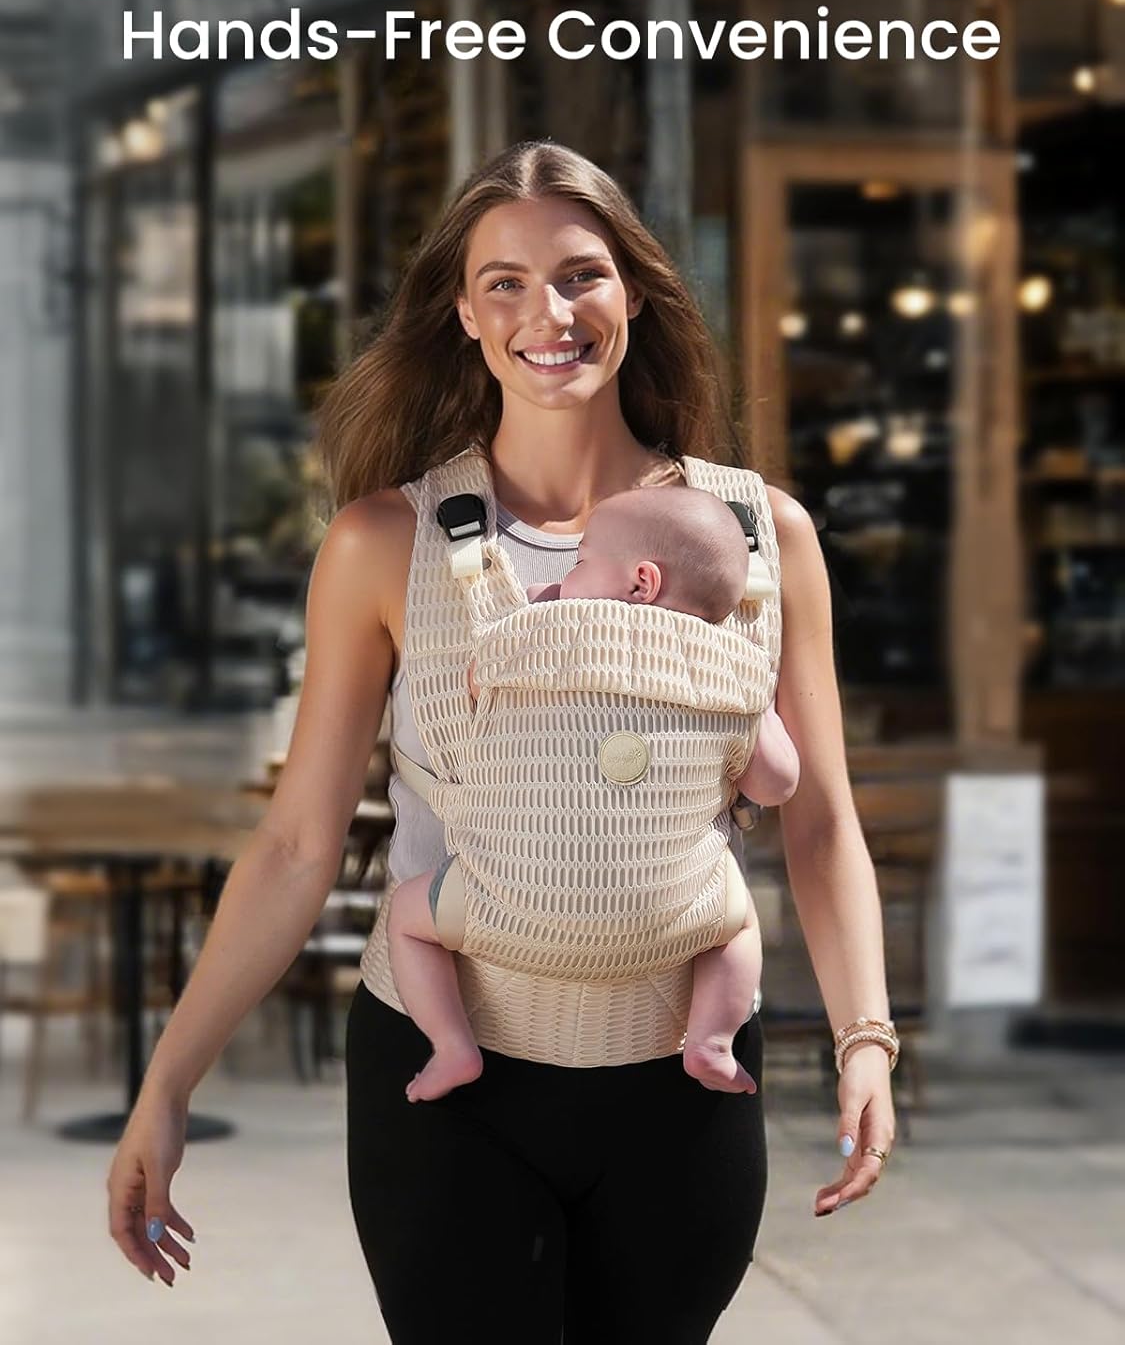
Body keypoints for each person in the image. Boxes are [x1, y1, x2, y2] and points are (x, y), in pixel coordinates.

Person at [106, 140, 898, 1344]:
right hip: (448, 1103)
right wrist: (167, 1086)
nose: (550, 314)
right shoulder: (385, 543)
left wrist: (865, 1040)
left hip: (681, 1092)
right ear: (466, 315)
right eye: (506, 284)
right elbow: (298, 844)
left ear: (635, 293)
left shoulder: (761, 535)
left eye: (582, 275)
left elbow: (822, 820)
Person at [389, 483, 801, 1104]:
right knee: (739, 927)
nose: (568, 577)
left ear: (641, 583)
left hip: (505, 907)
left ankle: (451, 1046)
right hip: (671, 922)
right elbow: (777, 784)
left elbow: (475, 685)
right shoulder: (735, 670)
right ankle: (712, 1040)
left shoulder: (534, 632)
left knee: (406, 918)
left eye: (581, 562)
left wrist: (539, 609)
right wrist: (755, 710)